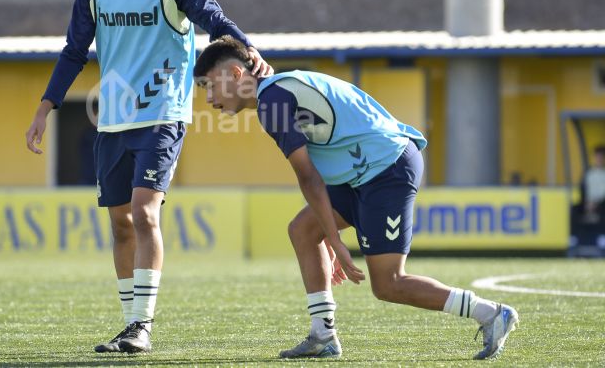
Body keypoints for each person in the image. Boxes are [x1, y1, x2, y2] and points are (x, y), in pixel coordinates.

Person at [25, 0, 272, 354]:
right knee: (120, 224)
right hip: (111, 122)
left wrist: (246, 46)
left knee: (143, 213)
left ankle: (143, 326)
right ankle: (129, 325)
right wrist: (45, 107)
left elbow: (211, 15)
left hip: (162, 114)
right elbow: (74, 52)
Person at [193, 36, 519, 361]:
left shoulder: (272, 101)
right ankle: (323, 335)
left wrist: (335, 240)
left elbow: (308, 176)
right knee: (304, 230)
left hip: (385, 168)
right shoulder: (280, 89)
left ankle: (491, 314)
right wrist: (328, 234)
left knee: (389, 284)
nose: (208, 98)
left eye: (209, 85)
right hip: (364, 170)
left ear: (236, 74)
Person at [582, 144, 605, 225]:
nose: (599, 159)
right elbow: (585, 191)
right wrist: (588, 202)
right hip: (589, 204)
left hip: (601, 204)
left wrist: (596, 203)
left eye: (601, 157)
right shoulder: (589, 174)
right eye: (597, 157)